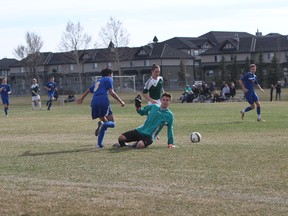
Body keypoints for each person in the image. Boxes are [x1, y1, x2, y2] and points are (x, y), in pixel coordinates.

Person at [76, 67, 125, 148]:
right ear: (110, 74)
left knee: (104, 123)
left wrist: (81, 99)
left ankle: (99, 144)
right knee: (112, 123)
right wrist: (121, 101)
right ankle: (102, 127)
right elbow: (111, 92)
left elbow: (88, 90)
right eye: (112, 74)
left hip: (94, 102)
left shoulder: (98, 81)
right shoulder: (109, 79)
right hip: (103, 100)